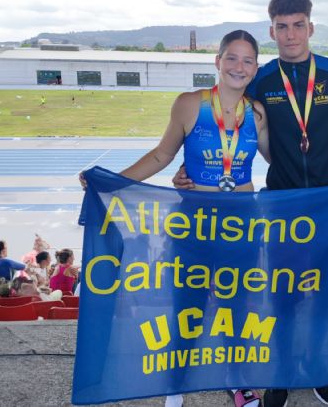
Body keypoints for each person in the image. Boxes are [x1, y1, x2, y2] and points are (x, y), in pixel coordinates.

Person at [173, 0, 328, 406]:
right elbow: (219, 117)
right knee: (284, 294)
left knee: (327, 293)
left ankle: (320, 368)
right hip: (283, 206)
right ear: (271, 30)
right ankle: (281, 372)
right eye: (281, 27)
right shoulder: (261, 78)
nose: (290, 34)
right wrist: (190, 169)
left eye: (298, 25)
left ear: (310, 27)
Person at [82, 30, 267, 407]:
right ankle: (177, 380)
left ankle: (237, 379)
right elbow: (161, 156)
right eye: (231, 57)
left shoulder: (258, 113)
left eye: (248, 60)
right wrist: (112, 182)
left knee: (236, 306)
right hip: (195, 219)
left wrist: (323, 186)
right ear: (217, 61)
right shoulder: (189, 104)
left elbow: (280, 166)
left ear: (255, 68)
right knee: (189, 304)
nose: (239, 66)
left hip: (241, 221)